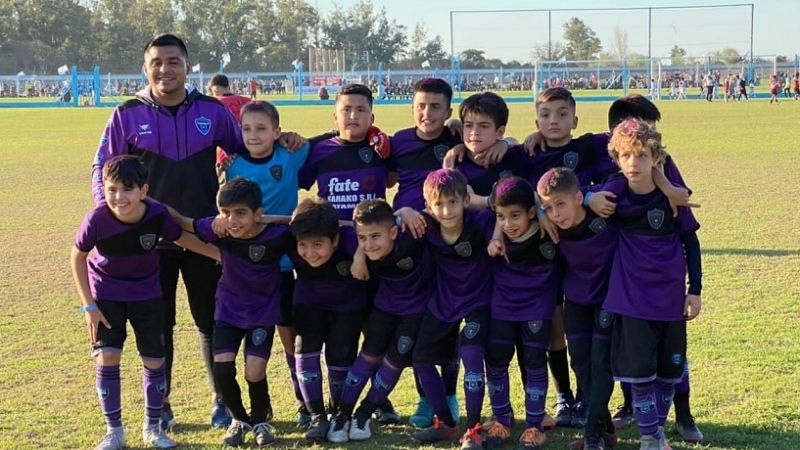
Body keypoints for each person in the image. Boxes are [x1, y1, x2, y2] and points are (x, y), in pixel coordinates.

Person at [91, 33, 245, 430]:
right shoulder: (126, 113)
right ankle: (162, 404)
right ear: (146, 67)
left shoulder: (212, 110)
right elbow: (102, 169)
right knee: (159, 323)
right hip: (147, 242)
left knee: (211, 319)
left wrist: (287, 145)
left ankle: (221, 401)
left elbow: (248, 154)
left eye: (173, 61)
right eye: (157, 61)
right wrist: (107, 214)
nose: (165, 69)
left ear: (187, 66)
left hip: (204, 234)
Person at [71, 155, 217, 450]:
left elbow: (181, 239)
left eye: (127, 190)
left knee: (154, 360)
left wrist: (219, 255)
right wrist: (89, 306)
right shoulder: (97, 219)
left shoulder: (156, 214)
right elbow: (77, 257)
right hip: (107, 296)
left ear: (143, 190)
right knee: (108, 356)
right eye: (111, 189)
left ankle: (153, 428)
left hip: (147, 296)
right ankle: (114, 432)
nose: (118, 197)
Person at [604, 118, 702, 450]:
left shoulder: (674, 200)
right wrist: (590, 200)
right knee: (641, 379)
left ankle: (656, 432)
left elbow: (691, 242)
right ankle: (650, 438)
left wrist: (695, 290)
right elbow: (582, 196)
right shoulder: (613, 198)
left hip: (672, 301)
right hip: (631, 302)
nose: (634, 163)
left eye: (643, 155)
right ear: (617, 159)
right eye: (627, 156)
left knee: (668, 376)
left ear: (656, 159)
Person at [170, 178, 287, 447]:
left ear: (258, 213)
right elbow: (183, 223)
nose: (232, 220)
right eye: (226, 213)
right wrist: (153, 206)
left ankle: (261, 421)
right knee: (222, 369)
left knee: (254, 372)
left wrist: (266, 219)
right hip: (228, 311)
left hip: (262, 312)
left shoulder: (276, 235)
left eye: (240, 213)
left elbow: (302, 222)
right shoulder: (219, 231)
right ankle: (239, 420)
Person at [223, 100, 312, 426]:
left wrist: (293, 136)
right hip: (247, 269)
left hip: (285, 264)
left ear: (276, 131)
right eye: (247, 129)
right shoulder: (232, 166)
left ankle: (303, 400)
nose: (254, 135)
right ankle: (252, 408)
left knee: (290, 334)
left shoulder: (291, 154)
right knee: (250, 343)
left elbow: (331, 137)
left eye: (262, 129)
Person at [326, 200, 437, 442]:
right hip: (384, 307)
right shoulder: (362, 247)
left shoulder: (413, 233)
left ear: (394, 232)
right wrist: (358, 256)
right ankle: (342, 414)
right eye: (362, 238)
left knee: (394, 361)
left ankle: (364, 414)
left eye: (375, 236)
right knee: (368, 355)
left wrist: (406, 210)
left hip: (416, 312)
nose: (368, 244)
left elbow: (443, 213)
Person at [409, 169, 496, 450]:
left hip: (478, 301)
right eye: (439, 204)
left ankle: (473, 430)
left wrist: (495, 234)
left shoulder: (479, 221)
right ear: (428, 205)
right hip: (443, 301)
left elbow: (507, 207)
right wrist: (404, 211)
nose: (446, 211)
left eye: (453, 202)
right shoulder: (425, 225)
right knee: (421, 357)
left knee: (471, 355)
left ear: (465, 200)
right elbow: (389, 223)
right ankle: (447, 424)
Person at [537, 167, 620, 450]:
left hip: (608, 300)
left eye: (560, 205)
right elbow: (520, 198)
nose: (556, 213)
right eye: (549, 207)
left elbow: (623, 182)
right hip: (576, 301)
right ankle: (606, 430)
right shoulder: (551, 228)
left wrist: (591, 197)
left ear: (578, 198)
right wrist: (539, 213)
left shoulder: (604, 214)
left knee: (600, 364)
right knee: (581, 364)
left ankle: (592, 437)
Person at [482, 176, 560, 450]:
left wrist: (541, 211)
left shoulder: (547, 229)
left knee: (535, 361)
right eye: (501, 217)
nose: (508, 224)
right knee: (496, 359)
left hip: (537, 306)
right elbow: (479, 204)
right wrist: (494, 236)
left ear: (530, 212)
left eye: (515, 216)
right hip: (502, 306)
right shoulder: (496, 238)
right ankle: (501, 420)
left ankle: (534, 427)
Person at [288, 200, 368, 442]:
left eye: (318, 245)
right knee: (304, 353)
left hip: (348, 308)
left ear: (335, 239)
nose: (310, 253)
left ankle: (339, 414)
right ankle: (316, 416)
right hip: (308, 304)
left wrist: (360, 257)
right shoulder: (291, 236)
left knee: (339, 360)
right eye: (303, 245)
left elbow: (371, 234)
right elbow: (260, 226)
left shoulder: (350, 238)